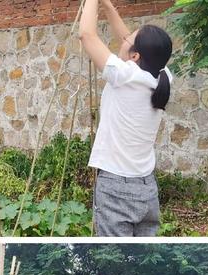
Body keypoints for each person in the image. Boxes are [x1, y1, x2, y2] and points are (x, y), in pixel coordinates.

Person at [78, 0, 173, 236]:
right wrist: (108, 7)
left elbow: (87, 35)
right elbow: (127, 40)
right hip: (146, 188)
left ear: (135, 56)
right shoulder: (164, 76)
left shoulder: (125, 75)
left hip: (116, 188)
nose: (125, 38)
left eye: (130, 40)